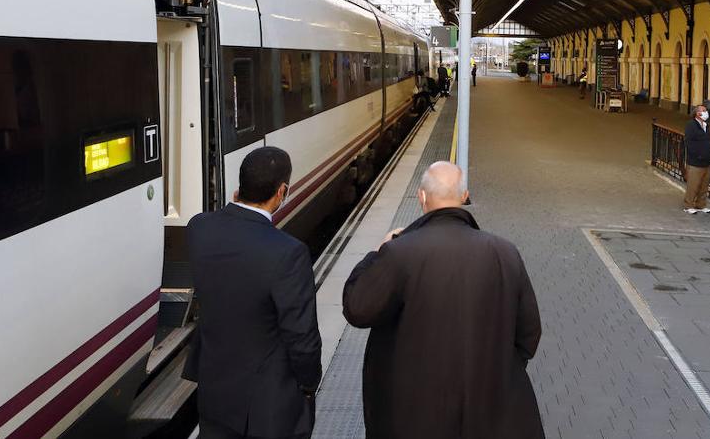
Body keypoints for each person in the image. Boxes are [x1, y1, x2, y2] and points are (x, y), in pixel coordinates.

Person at [342, 162, 544, 439]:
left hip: (412, 413)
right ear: (464, 197)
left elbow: (357, 309)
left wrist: (376, 253)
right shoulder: (505, 252)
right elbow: (529, 333)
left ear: (422, 197)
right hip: (488, 414)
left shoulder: (400, 252)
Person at [185, 147, 322, 438]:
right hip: (265, 403)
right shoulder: (288, 253)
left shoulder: (199, 229)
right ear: (281, 191)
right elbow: (301, 335)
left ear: (239, 188)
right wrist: (309, 384)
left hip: (215, 390)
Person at [682, 104, 710, 214]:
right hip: (695, 161)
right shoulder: (691, 125)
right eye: (703, 110)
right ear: (697, 113)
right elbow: (689, 142)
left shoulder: (706, 125)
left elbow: (709, 142)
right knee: (693, 184)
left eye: (706, 110)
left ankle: (701, 204)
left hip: (706, 161)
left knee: (704, 185)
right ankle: (688, 205)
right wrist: (697, 155)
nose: (706, 112)